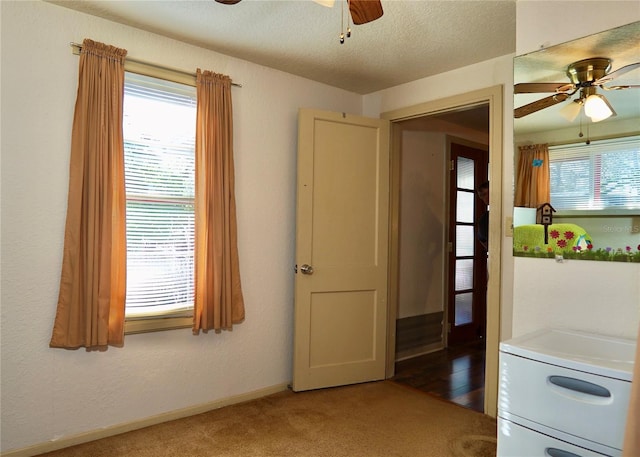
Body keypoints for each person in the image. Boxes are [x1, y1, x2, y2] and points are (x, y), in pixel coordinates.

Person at [477, 181, 489, 251]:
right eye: (482, 196)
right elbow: (481, 238)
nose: (485, 198)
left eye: (485, 194)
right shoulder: (484, 218)